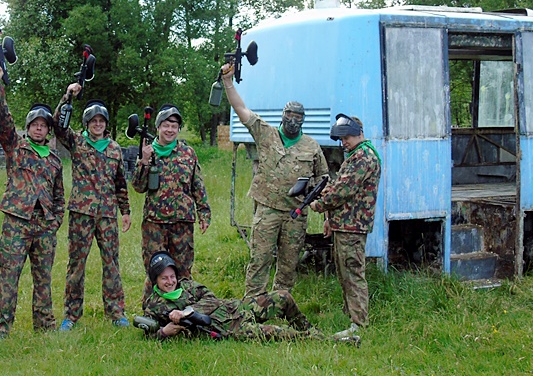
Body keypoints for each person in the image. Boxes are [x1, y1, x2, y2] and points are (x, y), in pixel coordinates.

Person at [220, 63, 328, 298]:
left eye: (298, 117)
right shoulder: (266, 133)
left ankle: (280, 304)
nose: (293, 120)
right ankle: (252, 307)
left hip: (295, 215)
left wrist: (321, 206)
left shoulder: (312, 146)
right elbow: (241, 109)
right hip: (267, 212)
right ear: (282, 115)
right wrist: (228, 82)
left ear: (303, 120)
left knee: (289, 265)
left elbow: (323, 181)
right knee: (260, 259)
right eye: (289, 115)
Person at [0, 67, 65, 339]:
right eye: (35, 124)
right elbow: (2, 121)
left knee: (43, 280)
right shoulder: (15, 147)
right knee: (9, 278)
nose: (39, 128)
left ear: (48, 130)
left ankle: (45, 327)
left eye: (44, 125)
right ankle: (0, 330)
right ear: (28, 127)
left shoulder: (55, 160)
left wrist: (54, 222)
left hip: (44, 226)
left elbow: (59, 197)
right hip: (16, 225)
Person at [143, 253, 358, 343]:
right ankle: (333, 341)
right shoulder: (154, 305)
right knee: (281, 334)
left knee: (283, 297)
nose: (170, 281)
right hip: (229, 327)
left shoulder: (187, 285)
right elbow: (147, 333)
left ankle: (310, 329)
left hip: (237, 307)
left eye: (172, 276)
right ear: (156, 281)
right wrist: (164, 332)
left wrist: (186, 312)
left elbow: (211, 298)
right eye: (164, 279)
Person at [53, 85, 131, 331]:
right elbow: (57, 125)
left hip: (107, 214)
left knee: (112, 263)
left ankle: (116, 312)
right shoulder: (77, 142)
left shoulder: (114, 149)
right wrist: (68, 96)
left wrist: (125, 211)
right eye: (93, 121)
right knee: (77, 264)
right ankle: (71, 315)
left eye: (101, 121)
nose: (97, 124)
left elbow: (120, 182)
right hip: (81, 214)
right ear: (86, 123)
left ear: (106, 123)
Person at [310, 114, 381, 340]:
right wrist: (331, 219)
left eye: (346, 137)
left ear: (358, 133)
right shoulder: (356, 155)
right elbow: (342, 189)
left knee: (352, 272)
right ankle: (351, 315)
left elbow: (343, 190)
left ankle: (359, 324)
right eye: (341, 139)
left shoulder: (363, 157)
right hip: (345, 223)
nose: (343, 143)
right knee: (344, 272)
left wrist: (319, 205)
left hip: (353, 225)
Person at [131, 104, 211, 305]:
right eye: (166, 125)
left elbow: (197, 185)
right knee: (155, 267)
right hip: (154, 223)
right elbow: (138, 187)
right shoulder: (147, 151)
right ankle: (152, 309)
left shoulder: (188, 153)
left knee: (182, 269)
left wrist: (204, 213)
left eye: (174, 126)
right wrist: (144, 162)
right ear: (158, 127)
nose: (169, 130)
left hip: (182, 223)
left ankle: (184, 308)